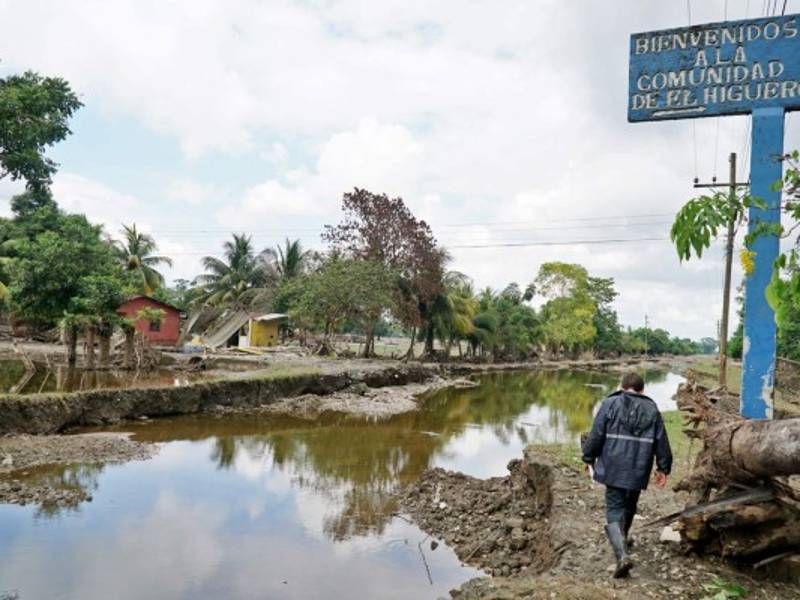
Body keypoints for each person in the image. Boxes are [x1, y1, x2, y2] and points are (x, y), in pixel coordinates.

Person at [581, 371, 672, 578]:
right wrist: (663, 468)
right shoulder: (652, 408)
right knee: (630, 503)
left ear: (621, 387)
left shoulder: (609, 404)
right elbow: (661, 440)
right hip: (639, 467)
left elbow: (596, 434)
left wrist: (588, 457)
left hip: (613, 466)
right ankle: (623, 537)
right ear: (642, 390)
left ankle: (622, 554)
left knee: (614, 508)